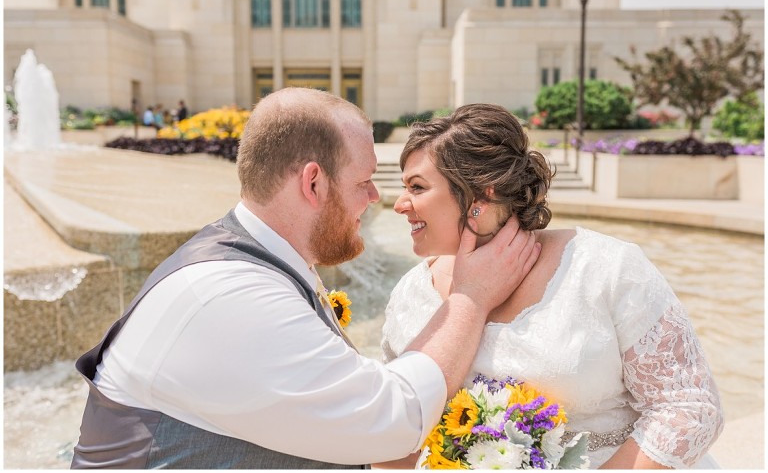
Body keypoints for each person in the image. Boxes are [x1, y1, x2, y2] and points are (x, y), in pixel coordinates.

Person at [70, 88, 541, 469]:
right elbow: (392, 421)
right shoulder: (228, 298)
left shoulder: (253, 262)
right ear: (313, 183)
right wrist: (470, 299)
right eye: (364, 181)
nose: (378, 198)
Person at [380, 103, 724, 469]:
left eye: (416, 187)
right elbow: (394, 428)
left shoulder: (604, 267)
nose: (400, 204)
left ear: (480, 198)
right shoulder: (410, 293)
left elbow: (688, 405)